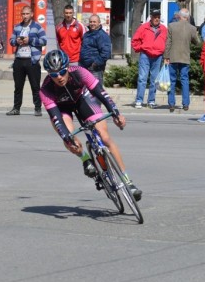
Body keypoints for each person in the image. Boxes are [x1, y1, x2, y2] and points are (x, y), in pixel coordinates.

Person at [39, 50, 141, 201]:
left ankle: (128, 181)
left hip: (82, 99)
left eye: (61, 72)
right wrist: (66, 136)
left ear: (67, 68)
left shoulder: (80, 72)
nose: (59, 77)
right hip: (62, 108)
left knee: (104, 137)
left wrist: (116, 113)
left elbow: (101, 94)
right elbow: (56, 118)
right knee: (68, 137)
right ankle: (85, 159)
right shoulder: (46, 89)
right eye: (53, 74)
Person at [6, 5, 47, 117]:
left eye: (27, 14)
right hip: (19, 60)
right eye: (23, 14)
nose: (25, 16)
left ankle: (38, 108)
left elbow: (44, 41)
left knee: (35, 86)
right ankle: (16, 108)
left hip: (32, 60)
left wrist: (30, 40)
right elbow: (11, 40)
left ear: (32, 14)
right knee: (18, 87)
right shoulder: (17, 27)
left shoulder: (37, 27)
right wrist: (17, 41)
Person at [164, 8, 200, 112]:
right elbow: (197, 43)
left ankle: (171, 104)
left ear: (179, 16)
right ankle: (185, 104)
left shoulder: (171, 26)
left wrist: (166, 57)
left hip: (173, 56)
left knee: (172, 80)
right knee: (185, 80)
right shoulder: (192, 28)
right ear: (187, 17)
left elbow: (168, 43)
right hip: (185, 57)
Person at [131, 9, 167, 109]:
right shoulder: (143, 27)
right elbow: (135, 40)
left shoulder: (163, 29)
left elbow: (168, 42)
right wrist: (140, 48)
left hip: (158, 56)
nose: (157, 19)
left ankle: (151, 101)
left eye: (158, 17)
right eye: (155, 17)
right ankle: (139, 100)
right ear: (151, 17)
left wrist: (165, 55)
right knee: (142, 78)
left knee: (154, 80)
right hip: (145, 55)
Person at [79, 14, 111, 86]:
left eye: (94, 22)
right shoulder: (86, 34)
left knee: (96, 91)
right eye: (91, 22)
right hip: (84, 67)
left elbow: (106, 53)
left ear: (99, 23)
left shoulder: (102, 35)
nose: (92, 23)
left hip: (95, 69)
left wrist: (95, 64)